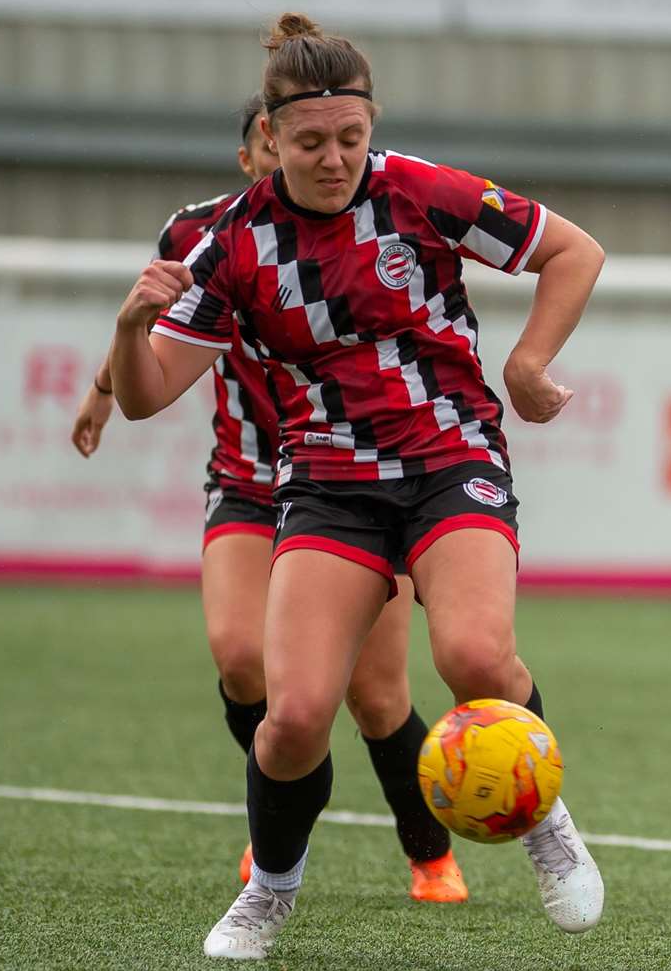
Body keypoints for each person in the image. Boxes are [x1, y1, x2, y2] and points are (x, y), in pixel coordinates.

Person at [105, 13, 606, 960]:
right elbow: (148, 396)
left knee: (473, 658)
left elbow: (573, 251)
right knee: (291, 716)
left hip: (450, 457)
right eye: (309, 143)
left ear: (370, 127)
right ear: (269, 138)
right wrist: (131, 330)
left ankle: (547, 828)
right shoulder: (234, 244)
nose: (334, 159)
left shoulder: (422, 192)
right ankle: (270, 892)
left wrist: (530, 363)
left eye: (350, 138)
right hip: (328, 483)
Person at [71, 94, 468, 904]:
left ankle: (428, 852)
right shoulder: (202, 237)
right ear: (261, 149)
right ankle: (274, 836)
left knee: (378, 693)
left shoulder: (359, 222)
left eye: (340, 143)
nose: (315, 164)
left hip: (349, 478)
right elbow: (157, 328)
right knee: (241, 658)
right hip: (248, 480)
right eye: (293, 146)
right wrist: (103, 389)